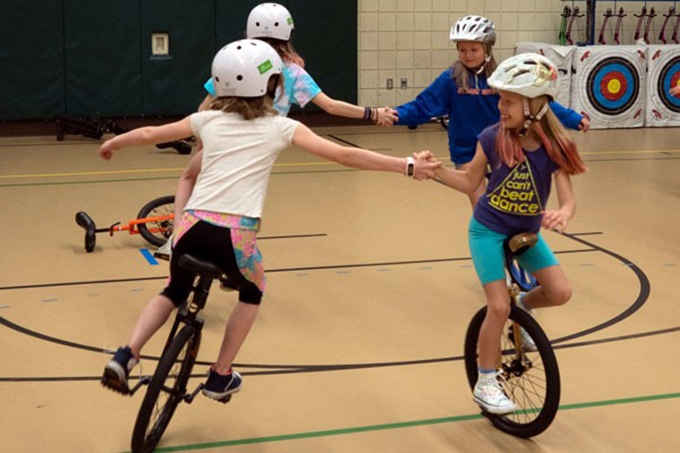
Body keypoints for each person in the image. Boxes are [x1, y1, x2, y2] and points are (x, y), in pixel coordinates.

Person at [99, 39, 440, 400]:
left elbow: (152, 134)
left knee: (172, 291)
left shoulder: (207, 120)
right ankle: (220, 375)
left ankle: (127, 354)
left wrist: (116, 142)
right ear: (273, 86)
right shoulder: (281, 127)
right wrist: (406, 165)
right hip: (234, 237)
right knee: (253, 290)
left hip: (190, 228)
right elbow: (343, 155)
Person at [157, 2, 396, 259]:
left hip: (223, 137)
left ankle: (176, 238)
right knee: (241, 200)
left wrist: (202, 140)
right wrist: (373, 113)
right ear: (287, 34)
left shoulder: (237, 60)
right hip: (260, 145)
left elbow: (204, 107)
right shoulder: (293, 72)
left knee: (190, 179)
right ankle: (235, 256)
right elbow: (330, 105)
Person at [423, 53, 587, 414]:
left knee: (560, 292)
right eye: (500, 98)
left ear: (535, 106)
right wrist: (434, 172)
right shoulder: (493, 137)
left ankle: (524, 306)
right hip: (487, 231)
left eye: (509, 100)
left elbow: (569, 200)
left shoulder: (555, 148)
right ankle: (485, 382)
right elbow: (469, 180)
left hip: (527, 231)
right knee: (497, 306)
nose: (500, 106)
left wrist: (563, 213)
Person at [382, 15, 589, 207]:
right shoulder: (451, 80)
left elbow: (539, 105)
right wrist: (396, 115)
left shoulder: (502, 77)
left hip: (503, 147)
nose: (468, 55)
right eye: (462, 50)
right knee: (483, 208)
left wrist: (573, 118)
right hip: (467, 153)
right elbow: (423, 105)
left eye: (474, 49)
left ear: (487, 49)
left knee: (508, 208)